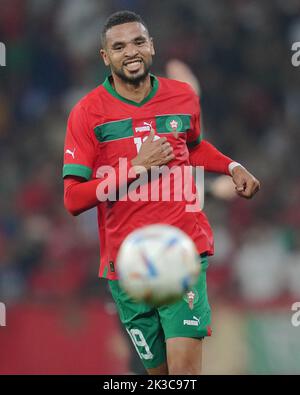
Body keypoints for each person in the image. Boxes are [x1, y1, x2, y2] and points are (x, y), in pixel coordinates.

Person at [63, 10, 260, 375]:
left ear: (151, 46)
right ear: (106, 57)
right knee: (158, 377)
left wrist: (232, 166)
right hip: (127, 264)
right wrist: (135, 168)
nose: (131, 51)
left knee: (184, 374)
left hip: (181, 251)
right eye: (119, 46)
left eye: (138, 42)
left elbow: (193, 146)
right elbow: (73, 199)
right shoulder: (87, 113)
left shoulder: (182, 97)